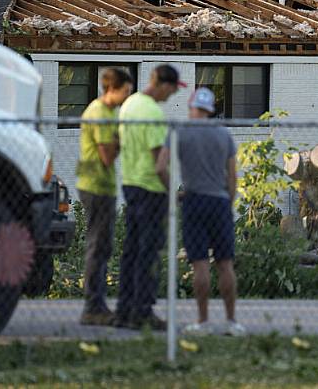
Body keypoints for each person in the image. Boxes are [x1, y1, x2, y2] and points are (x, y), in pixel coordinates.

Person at [157, 87, 245, 336]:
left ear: (191, 106)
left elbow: (160, 167)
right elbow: (233, 178)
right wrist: (227, 203)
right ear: (211, 109)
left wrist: (173, 193)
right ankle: (231, 322)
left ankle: (203, 321)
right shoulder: (223, 134)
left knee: (200, 264)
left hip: (194, 200)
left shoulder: (180, 132)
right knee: (225, 264)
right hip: (219, 201)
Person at [114, 64, 185, 330]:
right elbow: (159, 163)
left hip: (130, 183)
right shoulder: (153, 113)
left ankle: (123, 309)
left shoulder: (129, 105)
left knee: (131, 251)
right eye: (172, 90)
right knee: (149, 252)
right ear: (164, 85)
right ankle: (143, 311)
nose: (172, 96)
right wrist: (170, 192)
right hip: (150, 188)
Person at [76, 68, 133, 326]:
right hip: (95, 185)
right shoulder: (99, 113)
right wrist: (124, 136)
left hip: (103, 185)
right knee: (98, 246)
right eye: (126, 91)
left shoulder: (110, 112)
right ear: (112, 89)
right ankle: (93, 306)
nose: (127, 97)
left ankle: (97, 303)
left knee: (103, 245)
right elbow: (107, 156)